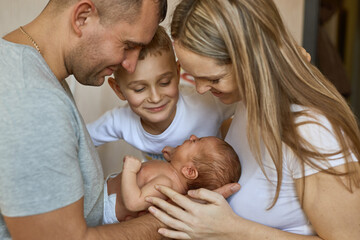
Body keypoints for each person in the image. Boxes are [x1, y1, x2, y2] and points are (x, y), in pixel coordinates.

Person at [0, 1, 234, 240]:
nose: (131, 64)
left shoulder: (20, 67)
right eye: (129, 45)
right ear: (82, 17)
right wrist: (182, 214)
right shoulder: (32, 99)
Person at [145, 0, 360, 239]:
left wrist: (233, 229)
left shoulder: (313, 133)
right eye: (192, 75)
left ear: (254, 63)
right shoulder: (247, 102)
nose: (201, 88)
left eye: (214, 79)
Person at [87, 25, 236, 161]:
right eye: (139, 89)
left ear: (178, 73)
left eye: (164, 83)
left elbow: (251, 103)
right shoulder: (120, 121)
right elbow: (78, 139)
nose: (156, 97)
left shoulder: (207, 103)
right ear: (118, 90)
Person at [103, 135, 240, 224]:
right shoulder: (172, 174)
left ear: (189, 171)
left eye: (195, 141)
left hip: (105, 207)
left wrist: (130, 170)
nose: (192, 136)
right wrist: (174, 156)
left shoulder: (165, 184)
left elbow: (134, 203)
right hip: (107, 191)